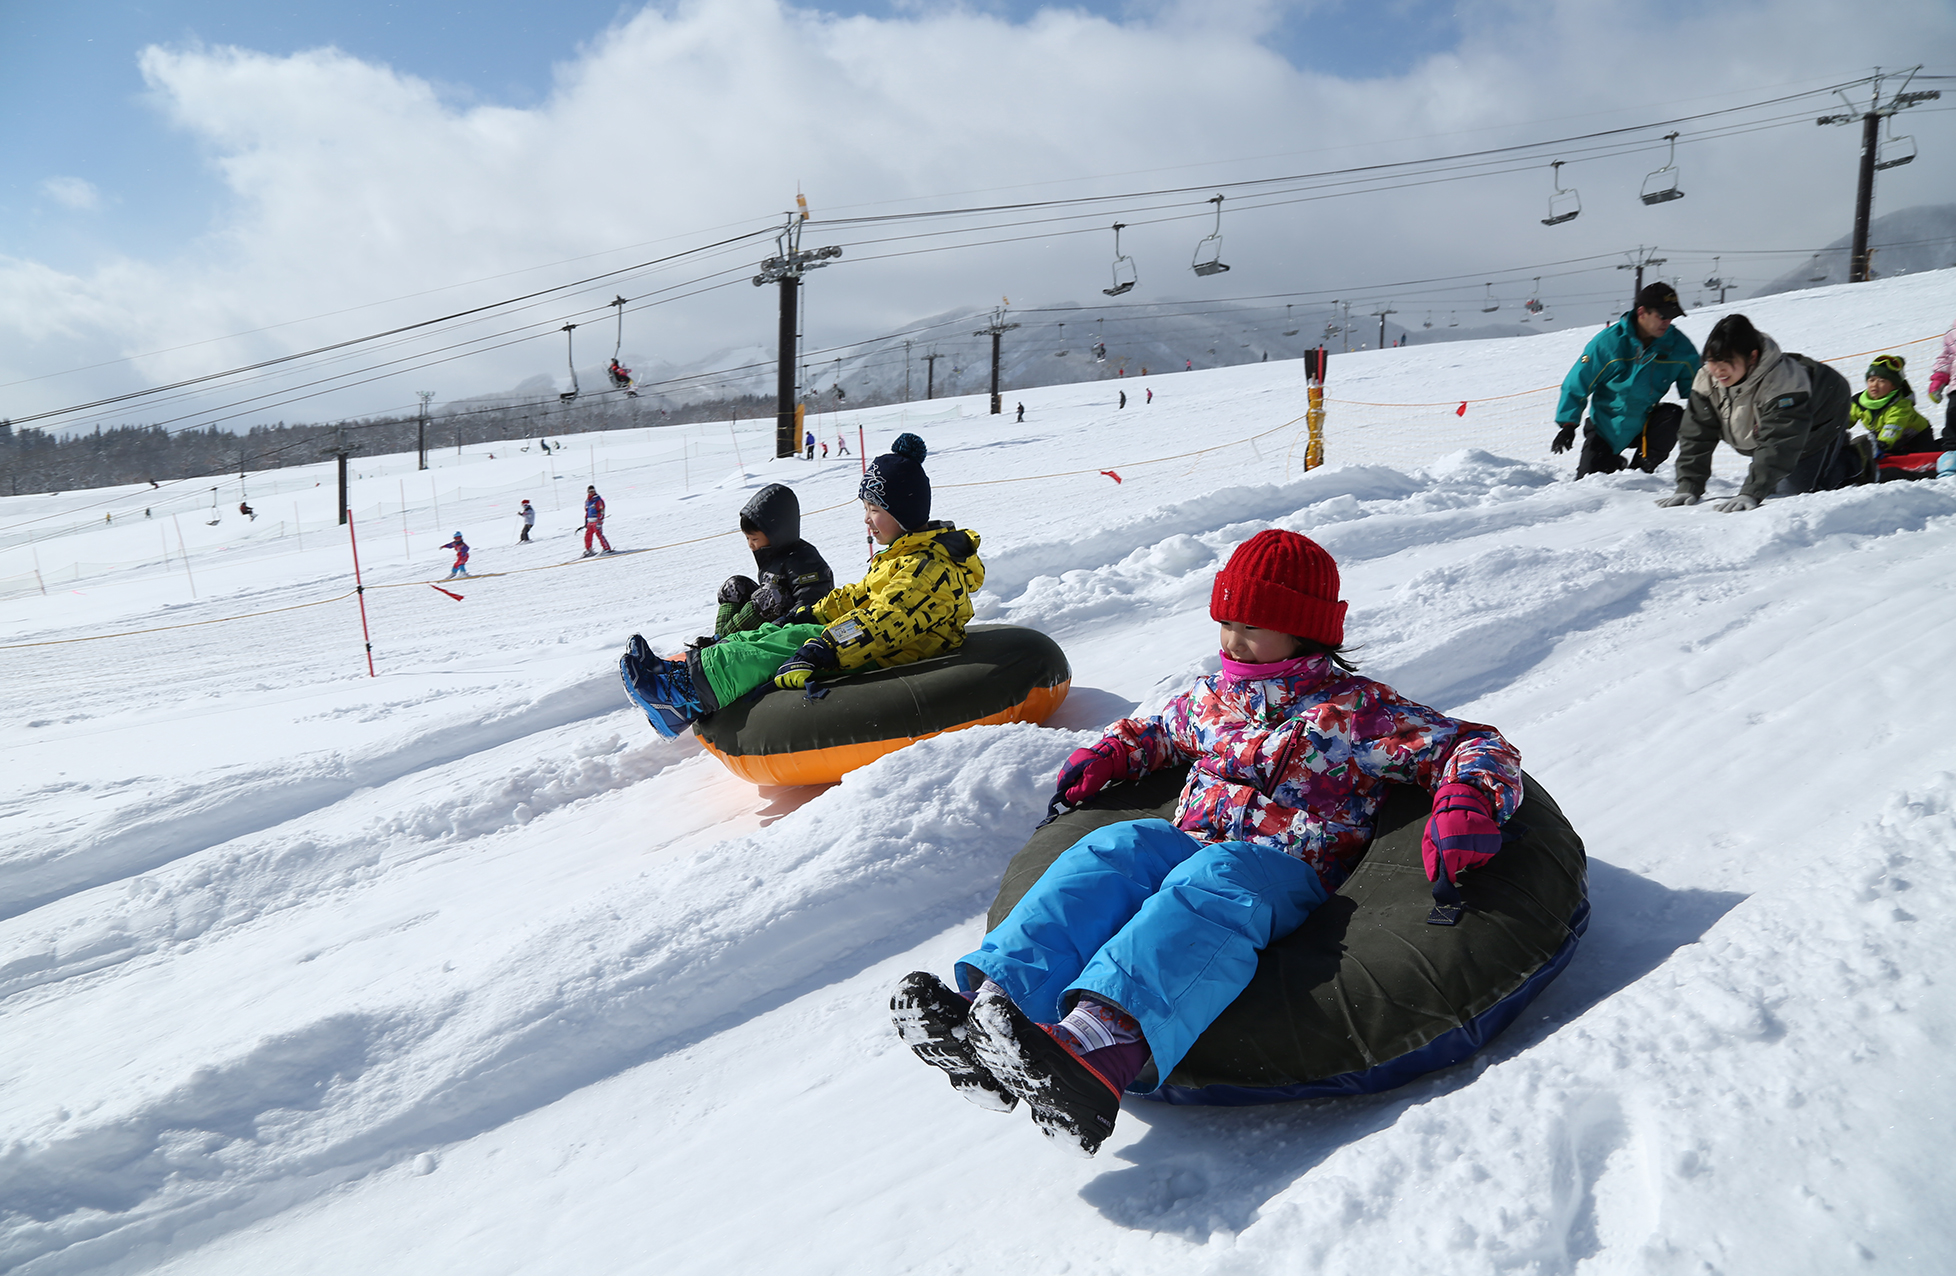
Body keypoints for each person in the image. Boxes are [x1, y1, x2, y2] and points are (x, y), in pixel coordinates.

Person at [887, 530, 1522, 1156]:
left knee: (1215, 877)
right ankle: (992, 1012)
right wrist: (1115, 751)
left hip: (1282, 872)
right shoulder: (1210, 698)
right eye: (1225, 619)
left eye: (1251, 623)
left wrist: (1469, 796)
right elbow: (1157, 731)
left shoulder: (1357, 714)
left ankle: (1103, 1041)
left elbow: (1473, 744)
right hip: (1189, 842)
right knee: (1118, 848)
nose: (1231, 639)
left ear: (1306, 629)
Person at [619, 434, 983, 738]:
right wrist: (812, 612)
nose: (867, 521)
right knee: (772, 633)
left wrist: (823, 646)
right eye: (866, 509)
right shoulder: (904, 556)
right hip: (864, 643)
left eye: (874, 509)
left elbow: (882, 621)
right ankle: (679, 677)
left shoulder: (927, 569)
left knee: (790, 642)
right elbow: (857, 596)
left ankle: (682, 697)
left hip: (885, 655)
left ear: (904, 511)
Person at [1658, 313, 1857, 512]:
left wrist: (1752, 492)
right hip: (1767, 429)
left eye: (1728, 361)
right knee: (1773, 483)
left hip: (1820, 415)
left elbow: (1779, 441)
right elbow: (1696, 434)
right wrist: (1689, 485)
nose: (1719, 370)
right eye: (1712, 361)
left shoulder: (1784, 383)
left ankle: (1853, 461)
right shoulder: (1707, 381)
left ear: (1752, 357)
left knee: (1794, 494)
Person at [1551, 282, 1700, 478]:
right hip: (1606, 426)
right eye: (1662, 316)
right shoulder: (1608, 343)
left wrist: (1708, 419)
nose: (1667, 321)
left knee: (1672, 415)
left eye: (1671, 317)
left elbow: (1699, 388)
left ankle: (1640, 471)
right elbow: (1578, 382)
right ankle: (1612, 461)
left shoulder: (1679, 346)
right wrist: (1567, 425)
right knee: (1588, 482)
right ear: (1641, 312)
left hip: (1646, 424)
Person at [709, 484, 835, 639]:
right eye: (747, 538)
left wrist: (785, 622)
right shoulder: (771, 553)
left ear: (776, 533)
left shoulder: (803, 559)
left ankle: (724, 639)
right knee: (734, 586)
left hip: (794, 627)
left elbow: (811, 601)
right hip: (774, 619)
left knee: (768, 597)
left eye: (754, 539)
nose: (750, 544)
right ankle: (718, 637)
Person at [1850, 354, 1936, 457]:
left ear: (1893, 387)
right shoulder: (1859, 402)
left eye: (1882, 381)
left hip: (1916, 437)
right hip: (1887, 440)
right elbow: (1844, 419)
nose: (1875, 385)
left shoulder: (1900, 404)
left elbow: (1893, 426)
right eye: (1871, 380)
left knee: (1925, 458)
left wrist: (1882, 444)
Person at [1929, 317, 1956, 449]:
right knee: (1953, 414)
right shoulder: (1952, 334)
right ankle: (1951, 451)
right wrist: (1939, 378)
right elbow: (1947, 358)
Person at [582, 486, 614, 556]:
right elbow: (587, 512)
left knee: (599, 534)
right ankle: (589, 550)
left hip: (597, 520)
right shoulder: (588, 501)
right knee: (588, 536)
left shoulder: (598, 500)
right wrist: (586, 522)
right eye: (590, 491)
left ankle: (606, 548)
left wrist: (599, 519)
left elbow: (601, 510)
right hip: (590, 521)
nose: (592, 492)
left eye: (593, 491)